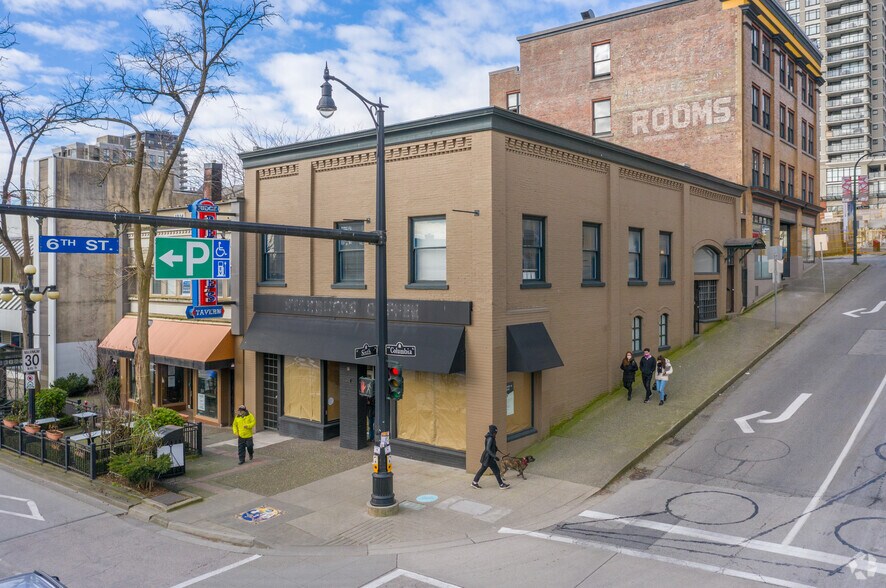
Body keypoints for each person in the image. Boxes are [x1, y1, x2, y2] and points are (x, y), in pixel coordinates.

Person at [471, 424, 509, 489]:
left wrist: (495, 448)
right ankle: (501, 484)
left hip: (488, 458)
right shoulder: (490, 438)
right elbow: (488, 449)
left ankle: (474, 482)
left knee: (483, 470)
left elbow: (490, 447)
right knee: (496, 471)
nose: (496, 434)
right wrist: (494, 456)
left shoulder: (491, 437)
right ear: (493, 432)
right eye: (495, 432)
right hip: (488, 458)